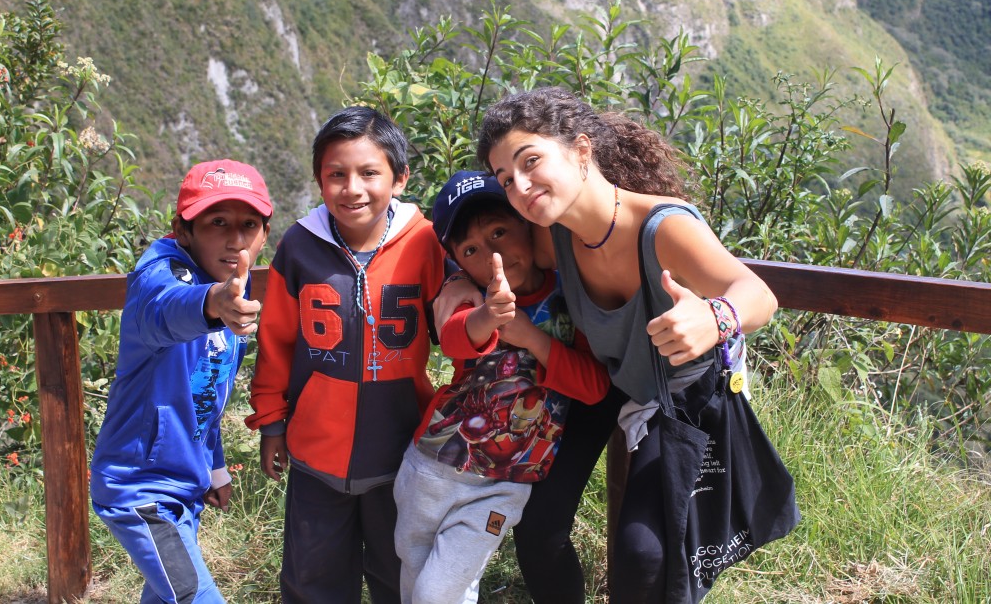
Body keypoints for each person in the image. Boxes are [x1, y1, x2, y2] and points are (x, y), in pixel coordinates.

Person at [437, 87, 778, 603]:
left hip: (682, 396)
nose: (522, 186)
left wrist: (716, 317)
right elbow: (483, 250)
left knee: (644, 553)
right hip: (607, 382)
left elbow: (758, 294)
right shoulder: (553, 237)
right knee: (540, 529)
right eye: (507, 179)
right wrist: (456, 285)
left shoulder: (665, 227)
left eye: (532, 161)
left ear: (580, 150)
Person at [246, 107, 450, 604]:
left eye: (369, 173)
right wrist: (272, 421)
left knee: (397, 574)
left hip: (402, 448)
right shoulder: (299, 246)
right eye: (336, 174)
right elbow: (276, 342)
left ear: (399, 178)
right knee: (313, 580)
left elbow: (456, 328)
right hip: (317, 450)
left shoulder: (426, 243)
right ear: (320, 180)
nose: (352, 188)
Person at [393, 171, 610, 604]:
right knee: (416, 582)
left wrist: (533, 338)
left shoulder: (570, 299)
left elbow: (594, 387)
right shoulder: (469, 298)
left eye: (499, 231)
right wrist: (489, 316)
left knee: (437, 595)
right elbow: (457, 338)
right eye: (471, 249)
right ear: (457, 261)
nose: (492, 252)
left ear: (527, 225)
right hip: (429, 467)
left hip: (503, 485)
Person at [90, 159, 273, 603]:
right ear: (183, 229)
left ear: (265, 232)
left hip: (182, 488)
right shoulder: (164, 276)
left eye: (249, 223)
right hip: (141, 490)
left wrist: (214, 468)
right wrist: (214, 304)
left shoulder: (233, 287)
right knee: (195, 596)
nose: (235, 238)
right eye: (217, 222)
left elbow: (204, 394)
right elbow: (167, 306)